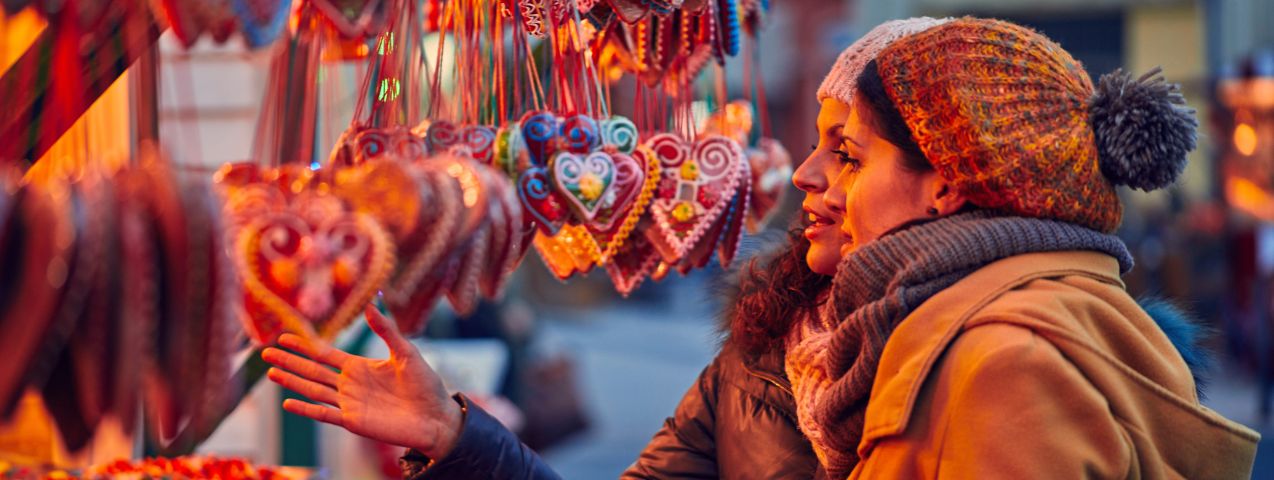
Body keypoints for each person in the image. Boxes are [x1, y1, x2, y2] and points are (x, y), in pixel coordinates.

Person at [263, 16, 1259, 479]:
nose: (809, 179)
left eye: (844, 153)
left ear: (948, 179)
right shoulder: (784, 347)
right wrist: (458, 438)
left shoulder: (1013, 365)